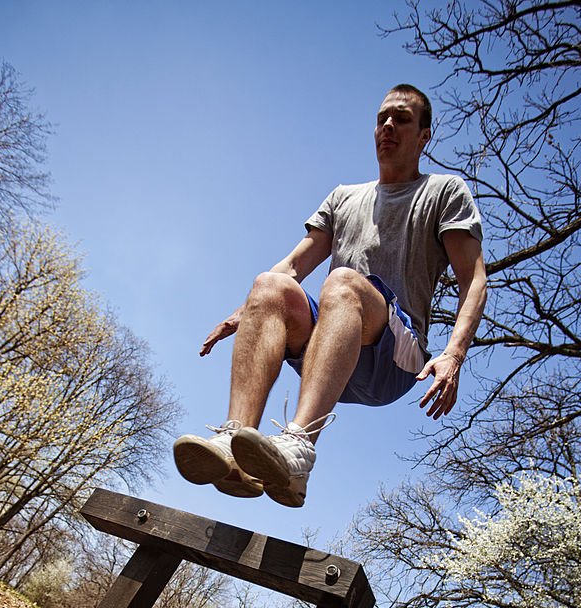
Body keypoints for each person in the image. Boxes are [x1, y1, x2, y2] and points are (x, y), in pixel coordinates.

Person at [173, 84, 487, 508]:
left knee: (343, 282)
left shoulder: (444, 192)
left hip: (394, 359)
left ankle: (298, 447)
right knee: (270, 284)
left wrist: (454, 353)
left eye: (402, 119)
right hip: (331, 349)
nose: (388, 126)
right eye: (382, 119)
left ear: (424, 136)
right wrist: (243, 313)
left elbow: (474, 279)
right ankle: (235, 445)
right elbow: (293, 266)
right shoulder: (344, 197)